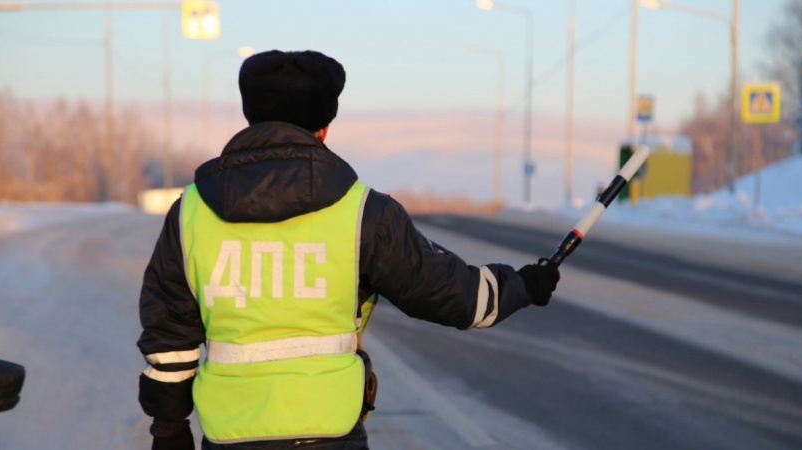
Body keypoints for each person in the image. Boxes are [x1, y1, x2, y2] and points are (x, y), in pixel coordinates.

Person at [137, 49, 560, 450]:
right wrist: (524, 284)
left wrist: (170, 428)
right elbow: (455, 296)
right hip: (330, 431)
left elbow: (170, 335)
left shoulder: (190, 213)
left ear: (250, 119)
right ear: (323, 128)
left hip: (230, 431)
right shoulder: (364, 212)